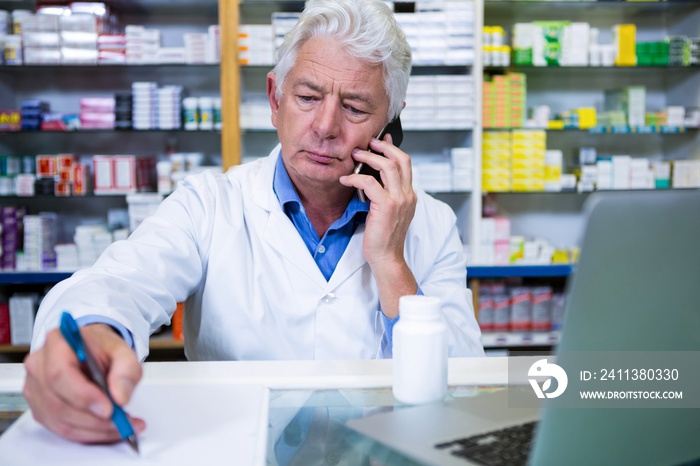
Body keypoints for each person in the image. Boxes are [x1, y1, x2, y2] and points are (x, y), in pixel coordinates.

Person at [23, 0, 484, 445]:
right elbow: (119, 282)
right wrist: (92, 333)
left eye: (355, 108)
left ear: (390, 126)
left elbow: (464, 387)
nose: (325, 126)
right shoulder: (209, 205)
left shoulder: (432, 223)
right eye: (307, 97)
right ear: (275, 98)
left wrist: (390, 262)